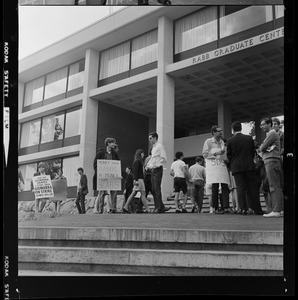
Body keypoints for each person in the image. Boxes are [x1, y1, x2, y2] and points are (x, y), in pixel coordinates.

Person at [226, 121, 264, 215]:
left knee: (240, 188)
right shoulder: (248, 138)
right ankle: (257, 209)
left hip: (237, 167)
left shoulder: (230, 140)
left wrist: (232, 163)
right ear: (241, 128)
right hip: (249, 165)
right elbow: (252, 152)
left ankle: (243, 209)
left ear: (232, 130)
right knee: (252, 188)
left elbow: (229, 155)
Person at [202, 125, 231, 214]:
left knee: (224, 185)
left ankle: (225, 206)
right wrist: (216, 153)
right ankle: (215, 207)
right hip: (213, 166)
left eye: (221, 131)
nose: (221, 132)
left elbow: (224, 154)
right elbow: (205, 154)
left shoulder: (222, 142)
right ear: (214, 132)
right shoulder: (208, 141)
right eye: (218, 131)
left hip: (222, 165)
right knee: (214, 186)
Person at [259, 117, 283, 217]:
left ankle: (276, 210)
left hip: (271, 161)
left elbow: (262, 148)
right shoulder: (272, 134)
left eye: (263, 124)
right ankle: (279, 209)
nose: (262, 127)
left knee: (273, 186)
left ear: (269, 124)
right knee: (276, 185)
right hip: (273, 161)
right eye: (261, 125)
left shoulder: (272, 133)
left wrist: (262, 147)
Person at [93, 137, 120, 214]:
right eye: (112, 143)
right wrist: (99, 172)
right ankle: (100, 209)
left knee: (114, 192)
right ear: (108, 143)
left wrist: (118, 173)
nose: (113, 144)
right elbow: (95, 164)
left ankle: (113, 208)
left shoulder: (115, 153)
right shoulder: (100, 153)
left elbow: (118, 163)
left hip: (112, 176)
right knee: (102, 193)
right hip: (103, 176)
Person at [145, 132, 171, 213]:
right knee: (153, 189)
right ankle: (159, 206)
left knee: (156, 188)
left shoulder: (159, 146)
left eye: (151, 138)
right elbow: (153, 159)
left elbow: (164, 158)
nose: (149, 140)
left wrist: (157, 165)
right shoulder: (153, 148)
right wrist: (148, 166)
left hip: (157, 169)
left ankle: (159, 207)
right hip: (153, 170)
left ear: (155, 138)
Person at [122, 149, 150, 214]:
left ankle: (125, 206)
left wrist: (135, 180)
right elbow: (136, 171)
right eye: (142, 153)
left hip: (138, 179)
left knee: (133, 193)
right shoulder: (138, 161)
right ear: (140, 154)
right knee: (143, 194)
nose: (143, 155)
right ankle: (147, 208)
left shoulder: (136, 161)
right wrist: (136, 180)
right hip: (139, 179)